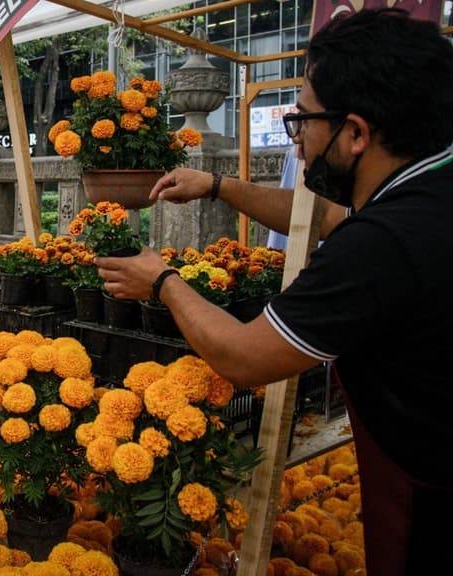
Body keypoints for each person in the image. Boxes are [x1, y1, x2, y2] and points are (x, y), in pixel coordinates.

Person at [95, 9, 453, 575]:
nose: (300, 141)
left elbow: (244, 356)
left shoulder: (384, 245)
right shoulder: (427, 193)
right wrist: (215, 185)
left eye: (305, 121)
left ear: (356, 133)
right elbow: (329, 217)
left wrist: (161, 281)